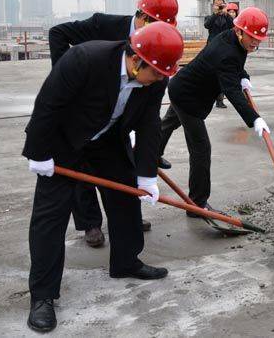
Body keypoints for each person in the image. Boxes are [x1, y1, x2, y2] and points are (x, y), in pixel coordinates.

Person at [23, 23, 184, 332]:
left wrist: (147, 174)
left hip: (108, 139)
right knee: (50, 215)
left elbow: (150, 122)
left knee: (126, 197)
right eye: (157, 74)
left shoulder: (155, 79)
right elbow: (48, 104)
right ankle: (42, 296)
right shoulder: (84, 59)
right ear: (136, 61)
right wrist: (38, 152)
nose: (160, 80)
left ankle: (126, 261)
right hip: (64, 140)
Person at [47, 0, 179, 247]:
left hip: (122, 112)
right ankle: (91, 224)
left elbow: (150, 119)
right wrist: (67, 81)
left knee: (123, 166)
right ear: (141, 17)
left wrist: (148, 174)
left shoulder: (156, 49)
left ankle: (126, 215)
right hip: (88, 110)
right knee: (82, 169)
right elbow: (58, 34)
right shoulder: (102, 26)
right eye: (156, 24)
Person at [158, 7, 271, 212]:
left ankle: (150, 154)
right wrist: (254, 118)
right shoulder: (226, 51)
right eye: (252, 37)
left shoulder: (230, 38)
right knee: (201, 149)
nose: (255, 43)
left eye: (259, 39)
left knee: (168, 123)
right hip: (188, 98)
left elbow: (236, 63)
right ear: (239, 31)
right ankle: (197, 203)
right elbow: (232, 92)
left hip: (182, 86)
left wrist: (243, 75)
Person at [204, 0, 233, 109]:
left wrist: (226, 14)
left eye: (221, 4)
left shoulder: (227, 17)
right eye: (217, 5)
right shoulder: (209, 17)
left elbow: (233, 25)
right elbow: (207, 25)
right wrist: (216, 13)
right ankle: (207, 98)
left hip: (224, 49)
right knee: (210, 75)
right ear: (213, 5)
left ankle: (220, 100)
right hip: (212, 49)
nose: (220, 7)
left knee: (222, 75)